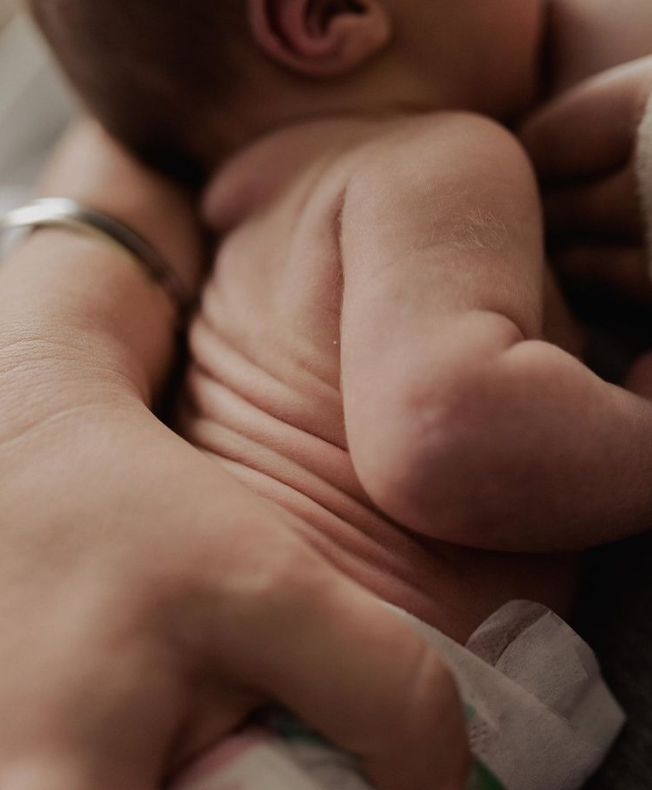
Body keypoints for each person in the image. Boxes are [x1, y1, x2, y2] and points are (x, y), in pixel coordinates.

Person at [1, 0, 651, 787]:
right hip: (305, 708)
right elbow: (443, 429)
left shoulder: (232, 230)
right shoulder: (431, 152)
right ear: (328, 15)